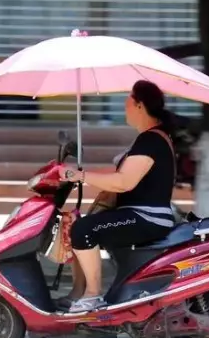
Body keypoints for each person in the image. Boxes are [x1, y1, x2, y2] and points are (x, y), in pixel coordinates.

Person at [57, 80, 176, 312]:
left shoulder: (151, 140)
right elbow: (118, 174)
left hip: (147, 217)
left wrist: (80, 176)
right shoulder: (150, 138)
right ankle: (78, 293)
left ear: (139, 105)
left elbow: (123, 182)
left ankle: (92, 296)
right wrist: (79, 174)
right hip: (139, 214)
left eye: (127, 103)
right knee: (79, 225)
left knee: (84, 230)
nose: (125, 108)